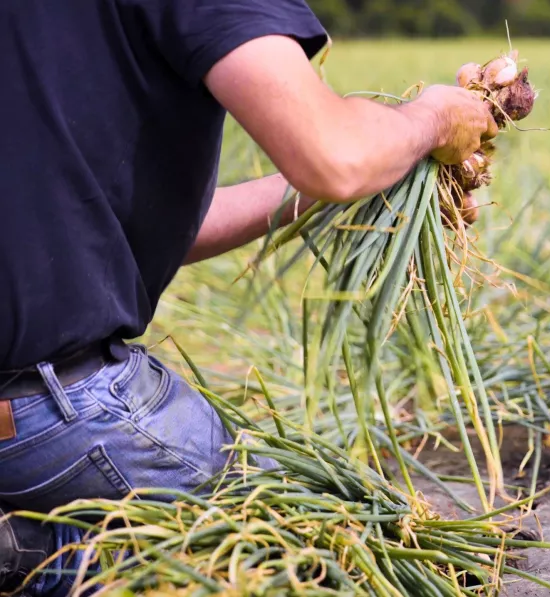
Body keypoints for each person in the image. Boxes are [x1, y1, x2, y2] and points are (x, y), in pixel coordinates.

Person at [0, 1, 497, 595]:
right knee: (330, 555)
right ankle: (38, 559)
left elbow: (96, 226)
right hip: (53, 407)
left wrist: (349, 184)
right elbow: (333, 155)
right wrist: (435, 120)